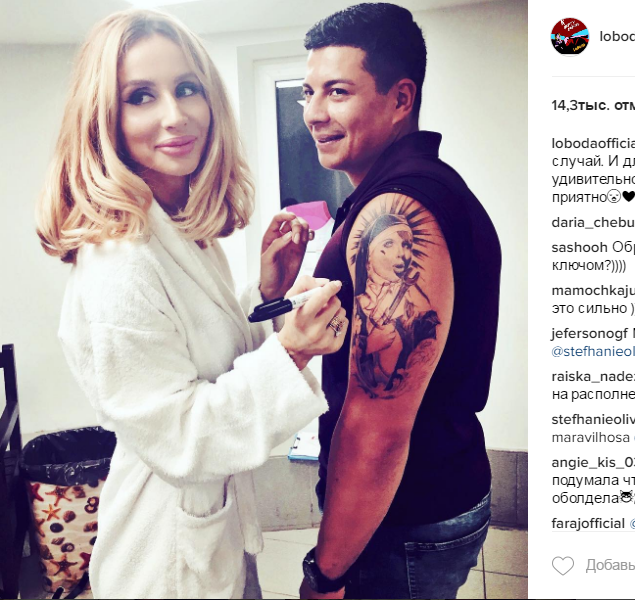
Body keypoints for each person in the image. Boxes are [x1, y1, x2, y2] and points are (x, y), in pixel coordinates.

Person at [34, 9, 347, 599]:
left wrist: (267, 298)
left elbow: (206, 360)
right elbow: (182, 437)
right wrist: (293, 352)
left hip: (208, 532)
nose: (174, 116)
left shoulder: (178, 229)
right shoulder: (120, 263)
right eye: (140, 97)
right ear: (104, 119)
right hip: (165, 564)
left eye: (186, 88)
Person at [299, 4, 502, 598]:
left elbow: (379, 426)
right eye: (309, 92)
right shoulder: (407, 190)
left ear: (400, 98)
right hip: (423, 498)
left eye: (338, 91)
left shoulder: (398, 208)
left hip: (403, 518)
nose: (314, 113)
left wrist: (326, 574)